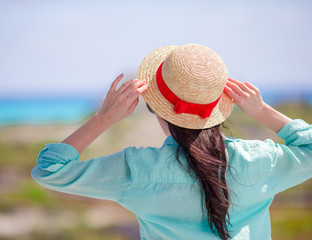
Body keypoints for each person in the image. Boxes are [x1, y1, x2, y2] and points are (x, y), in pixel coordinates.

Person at [31, 44, 312, 240]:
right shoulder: (261, 160)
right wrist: (263, 112)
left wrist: (103, 119)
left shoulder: (138, 170)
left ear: (153, 106)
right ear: (222, 104)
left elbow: (50, 170)